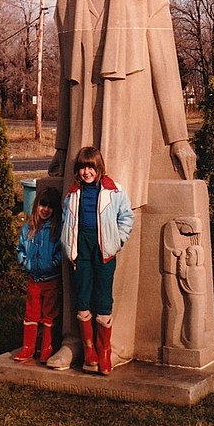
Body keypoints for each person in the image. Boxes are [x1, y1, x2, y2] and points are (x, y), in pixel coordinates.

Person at [47, 0, 196, 371]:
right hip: (83, 130)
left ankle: (118, 339)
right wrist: (57, 146)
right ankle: (74, 336)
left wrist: (178, 138)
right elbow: (66, 84)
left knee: (117, 224)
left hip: (127, 121)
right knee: (77, 226)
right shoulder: (67, 0)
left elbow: (165, 73)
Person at [61, 147, 134, 375]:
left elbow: (127, 217)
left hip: (104, 251)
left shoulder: (114, 191)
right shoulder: (73, 194)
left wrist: (117, 241)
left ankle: (104, 351)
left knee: (103, 298)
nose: (87, 172)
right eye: (82, 167)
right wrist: (69, 248)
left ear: (99, 168)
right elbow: (66, 220)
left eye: (91, 167)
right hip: (81, 249)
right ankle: (89, 349)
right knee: (82, 297)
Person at [14, 187, 62, 363]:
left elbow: (60, 251)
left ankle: (46, 348)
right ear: (36, 205)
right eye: (43, 204)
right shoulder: (28, 228)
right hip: (33, 279)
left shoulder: (56, 229)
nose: (45, 209)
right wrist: (23, 260)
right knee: (31, 314)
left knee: (49, 315)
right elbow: (20, 248)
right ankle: (28, 347)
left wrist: (52, 264)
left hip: (51, 280)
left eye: (50, 206)